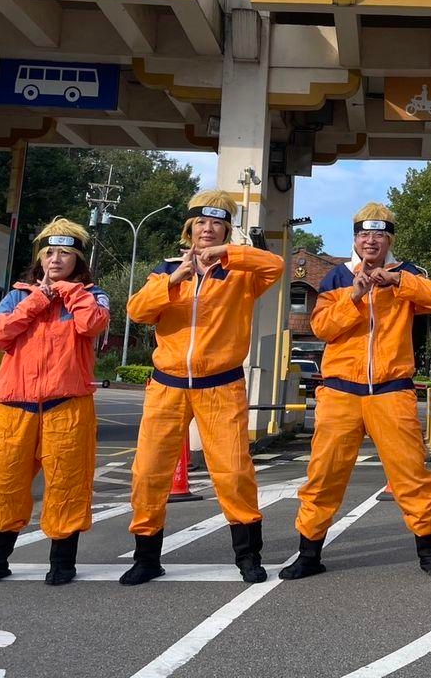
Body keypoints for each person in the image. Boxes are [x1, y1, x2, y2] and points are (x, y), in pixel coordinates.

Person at [120, 191, 283, 586]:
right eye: (201, 223)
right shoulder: (165, 270)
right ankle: (146, 556)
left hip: (221, 385)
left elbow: (276, 265)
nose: (207, 230)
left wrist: (229, 253)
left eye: (216, 224)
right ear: (189, 229)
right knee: (149, 471)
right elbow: (137, 311)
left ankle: (247, 556)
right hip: (167, 385)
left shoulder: (240, 274)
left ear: (226, 230)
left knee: (233, 472)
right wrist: (174, 281)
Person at [280, 203, 431, 580]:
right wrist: (353, 297)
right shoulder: (337, 277)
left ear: (389, 238)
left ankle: (429, 552)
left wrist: (398, 282)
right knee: (324, 474)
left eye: (378, 234)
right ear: (355, 238)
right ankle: (308, 552)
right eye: (363, 234)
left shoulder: (407, 273)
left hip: (392, 389)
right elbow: (322, 327)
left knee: (411, 474)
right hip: (340, 390)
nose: (370, 241)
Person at [0, 218, 109, 586]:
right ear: (40, 257)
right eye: (50, 252)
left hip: (68, 405)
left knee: (67, 484)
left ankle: (62, 563)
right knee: (3, 483)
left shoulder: (91, 295)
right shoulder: (18, 294)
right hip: (15, 406)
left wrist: (70, 292)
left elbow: (93, 326)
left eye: (65, 253)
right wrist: (39, 299)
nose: (56, 259)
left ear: (78, 260)